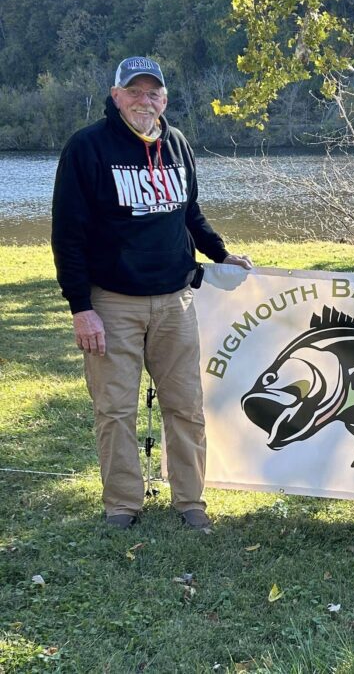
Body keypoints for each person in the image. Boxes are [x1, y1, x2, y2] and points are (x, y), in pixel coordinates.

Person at [51, 57, 252, 531]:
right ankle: (122, 504)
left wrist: (220, 254)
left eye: (153, 92)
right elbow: (68, 235)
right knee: (115, 409)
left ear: (165, 98)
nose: (145, 101)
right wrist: (82, 308)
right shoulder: (87, 147)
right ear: (117, 95)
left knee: (185, 406)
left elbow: (190, 213)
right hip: (112, 303)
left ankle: (191, 501)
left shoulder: (176, 143)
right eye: (135, 92)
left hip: (176, 302)